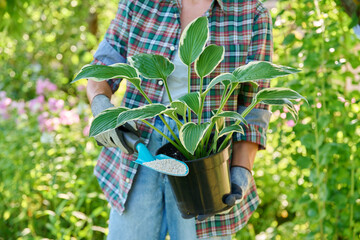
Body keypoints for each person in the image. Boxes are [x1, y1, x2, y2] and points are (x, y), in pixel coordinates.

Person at [87, 0, 273, 239]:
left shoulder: (252, 15)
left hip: (205, 159)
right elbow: (103, 65)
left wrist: (241, 170)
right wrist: (101, 107)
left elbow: (254, 108)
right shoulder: (139, 3)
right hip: (139, 147)